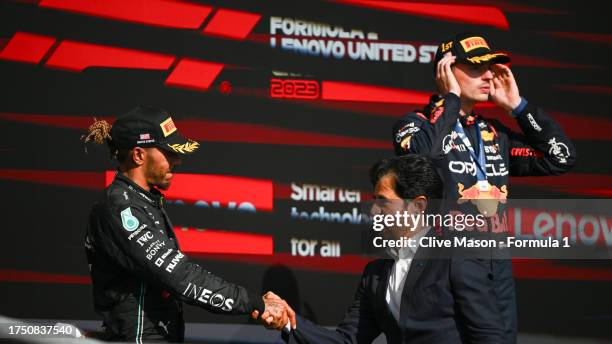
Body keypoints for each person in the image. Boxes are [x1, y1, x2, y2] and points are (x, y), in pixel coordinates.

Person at [392, 32, 576, 343]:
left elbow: (560, 157)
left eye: (490, 67)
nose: (489, 75)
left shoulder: (494, 132)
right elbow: (422, 154)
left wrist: (518, 107)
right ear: (446, 71)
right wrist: (449, 99)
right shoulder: (416, 124)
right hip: (446, 265)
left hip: (496, 263)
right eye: (477, 68)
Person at [81, 106, 294, 342]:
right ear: (139, 155)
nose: (177, 160)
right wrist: (256, 304)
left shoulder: (141, 200)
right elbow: (181, 278)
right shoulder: (120, 207)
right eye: (168, 152)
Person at [262, 155, 506, 343]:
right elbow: (346, 340)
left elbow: (489, 336)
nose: (374, 212)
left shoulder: (458, 257)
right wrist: (287, 321)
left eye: (383, 202)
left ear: (418, 206)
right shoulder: (375, 275)